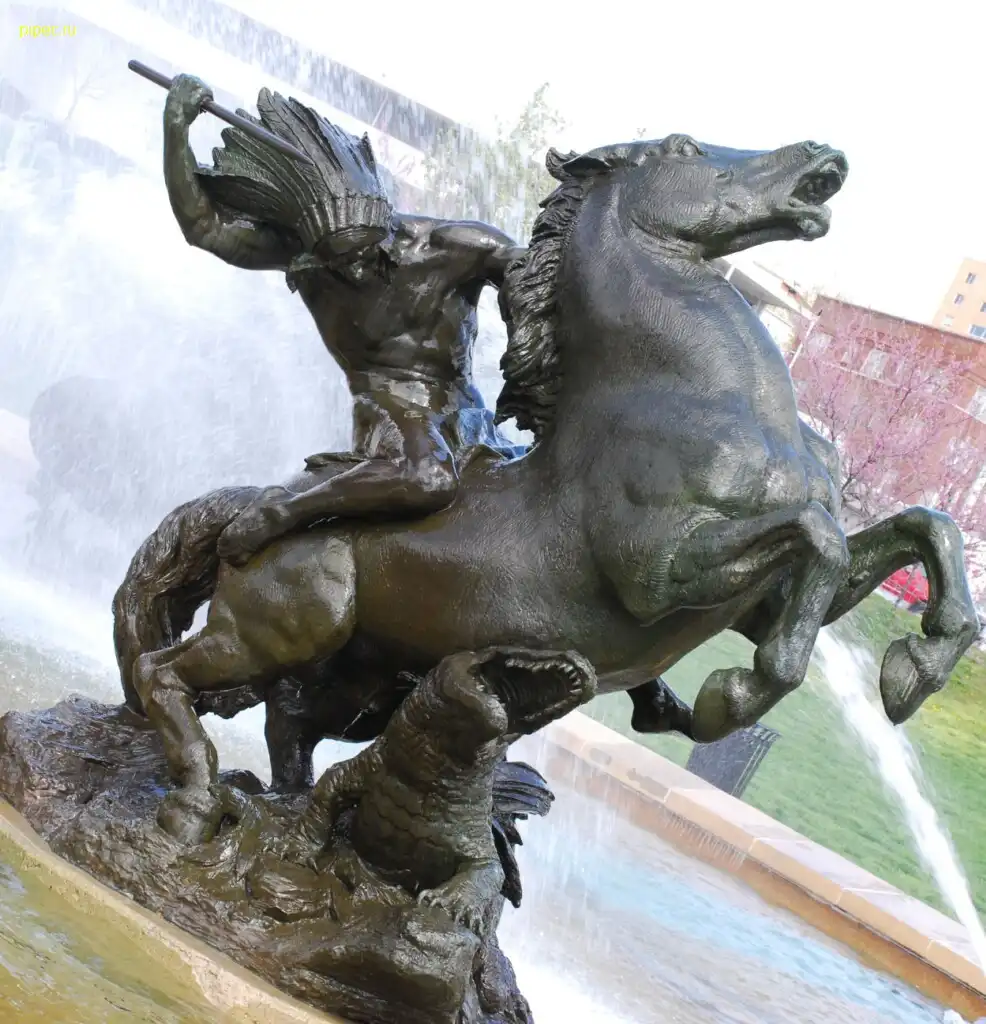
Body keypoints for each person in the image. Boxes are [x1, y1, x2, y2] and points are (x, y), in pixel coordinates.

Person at [162, 74, 526, 566]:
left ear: (385, 228)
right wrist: (176, 129)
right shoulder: (307, 261)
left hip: (466, 411)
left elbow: (529, 272)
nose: (353, 270)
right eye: (337, 261)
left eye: (362, 255)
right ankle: (283, 511)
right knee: (429, 478)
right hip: (389, 412)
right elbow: (205, 226)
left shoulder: (451, 248)